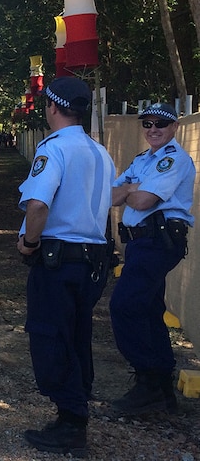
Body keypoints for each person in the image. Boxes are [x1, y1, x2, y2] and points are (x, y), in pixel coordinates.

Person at [16, 77, 116, 457]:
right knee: (77, 336)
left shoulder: (54, 149)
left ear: (52, 108)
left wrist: (29, 242)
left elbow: (39, 204)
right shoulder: (99, 152)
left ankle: (71, 421)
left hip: (58, 260)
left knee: (49, 335)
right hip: (92, 260)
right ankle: (74, 410)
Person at [109, 102, 195, 415]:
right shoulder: (143, 160)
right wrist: (132, 187)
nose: (153, 129)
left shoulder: (172, 159)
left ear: (174, 128)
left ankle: (148, 382)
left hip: (157, 242)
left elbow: (143, 200)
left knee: (123, 307)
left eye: (161, 123)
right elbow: (109, 195)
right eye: (147, 123)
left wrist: (130, 189)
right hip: (141, 244)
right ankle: (161, 388)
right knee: (148, 309)